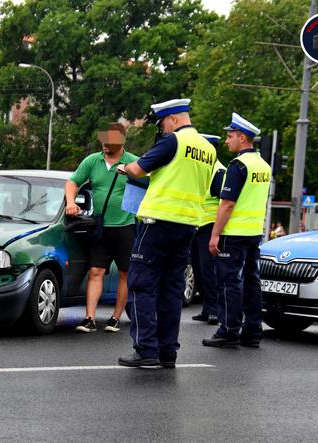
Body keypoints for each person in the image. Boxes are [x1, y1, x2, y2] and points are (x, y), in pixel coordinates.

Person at [117, 98, 216, 368]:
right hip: (187, 226)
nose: (162, 129)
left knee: (141, 283)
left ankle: (145, 348)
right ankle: (167, 352)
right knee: (171, 290)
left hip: (157, 222)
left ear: (172, 119)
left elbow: (138, 169)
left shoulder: (173, 142)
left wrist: (124, 167)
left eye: (162, 123)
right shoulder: (208, 149)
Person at [203, 113, 271, 349]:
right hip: (254, 233)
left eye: (230, 136)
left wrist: (215, 234)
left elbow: (228, 203)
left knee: (228, 282)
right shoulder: (263, 165)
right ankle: (253, 331)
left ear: (243, 138)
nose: (227, 140)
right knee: (252, 281)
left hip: (233, 234)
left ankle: (228, 330)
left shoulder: (238, 165)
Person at [65, 122, 139, 333]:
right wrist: (71, 201)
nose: (106, 146)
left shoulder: (134, 162)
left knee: (125, 272)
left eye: (110, 143)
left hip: (126, 227)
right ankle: (90, 318)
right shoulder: (93, 161)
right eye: (104, 142)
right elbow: (72, 182)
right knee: (96, 270)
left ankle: (115, 317)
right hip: (101, 227)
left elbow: (149, 186)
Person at [191, 134, 226, 326]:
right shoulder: (200, 169)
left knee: (208, 270)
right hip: (194, 225)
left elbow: (224, 203)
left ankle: (214, 310)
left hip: (209, 226)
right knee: (197, 269)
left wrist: (218, 232)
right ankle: (206, 308)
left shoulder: (219, 172)